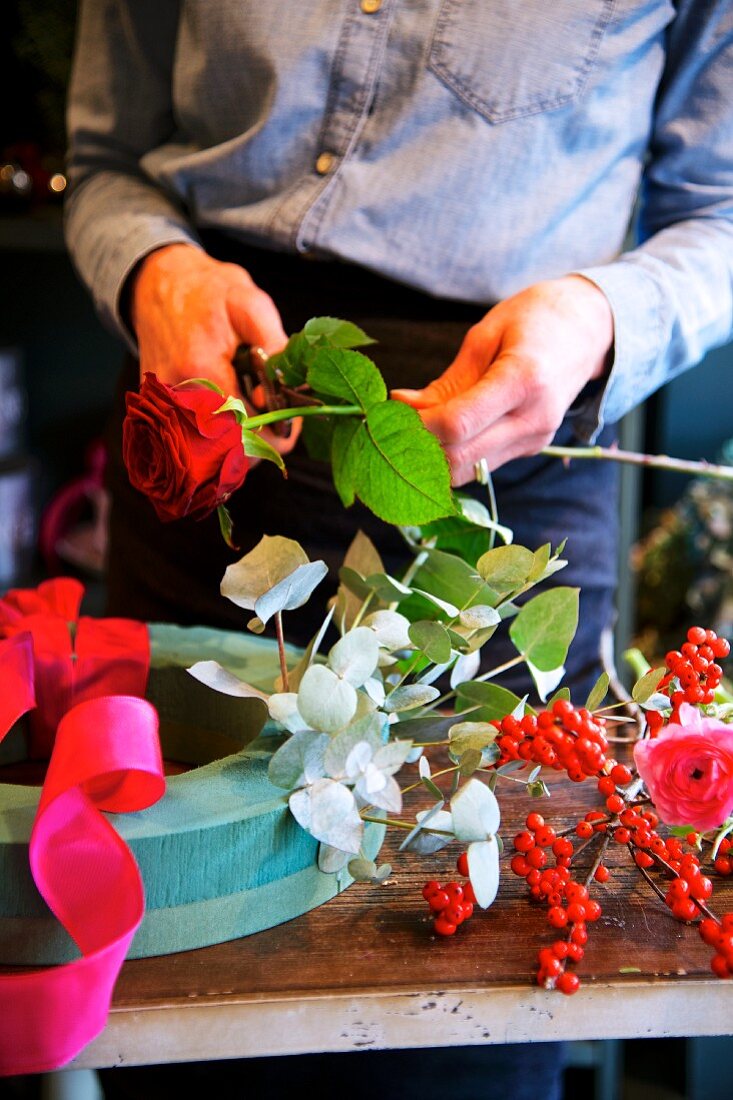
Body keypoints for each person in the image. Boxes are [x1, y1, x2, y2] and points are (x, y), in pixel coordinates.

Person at [64, 2, 733, 1097]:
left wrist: (600, 315)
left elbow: (721, 208)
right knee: (172, 989)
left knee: (455, 1013)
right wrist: (151, 270)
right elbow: (101, 161)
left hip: (500, 482)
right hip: (209, 437)